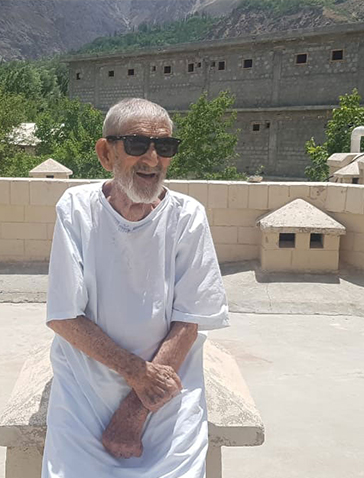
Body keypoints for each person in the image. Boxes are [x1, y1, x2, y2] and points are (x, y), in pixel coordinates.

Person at [42, 98, 229, 478]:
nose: (152, 159)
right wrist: (135, 372)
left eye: (165, 147)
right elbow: (64, 316)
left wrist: (138, 405)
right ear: (105, 152)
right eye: (137, 145)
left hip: (168, 378)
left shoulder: (187, 215)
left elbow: (189, 321)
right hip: (85, 378)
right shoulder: (77, 208)